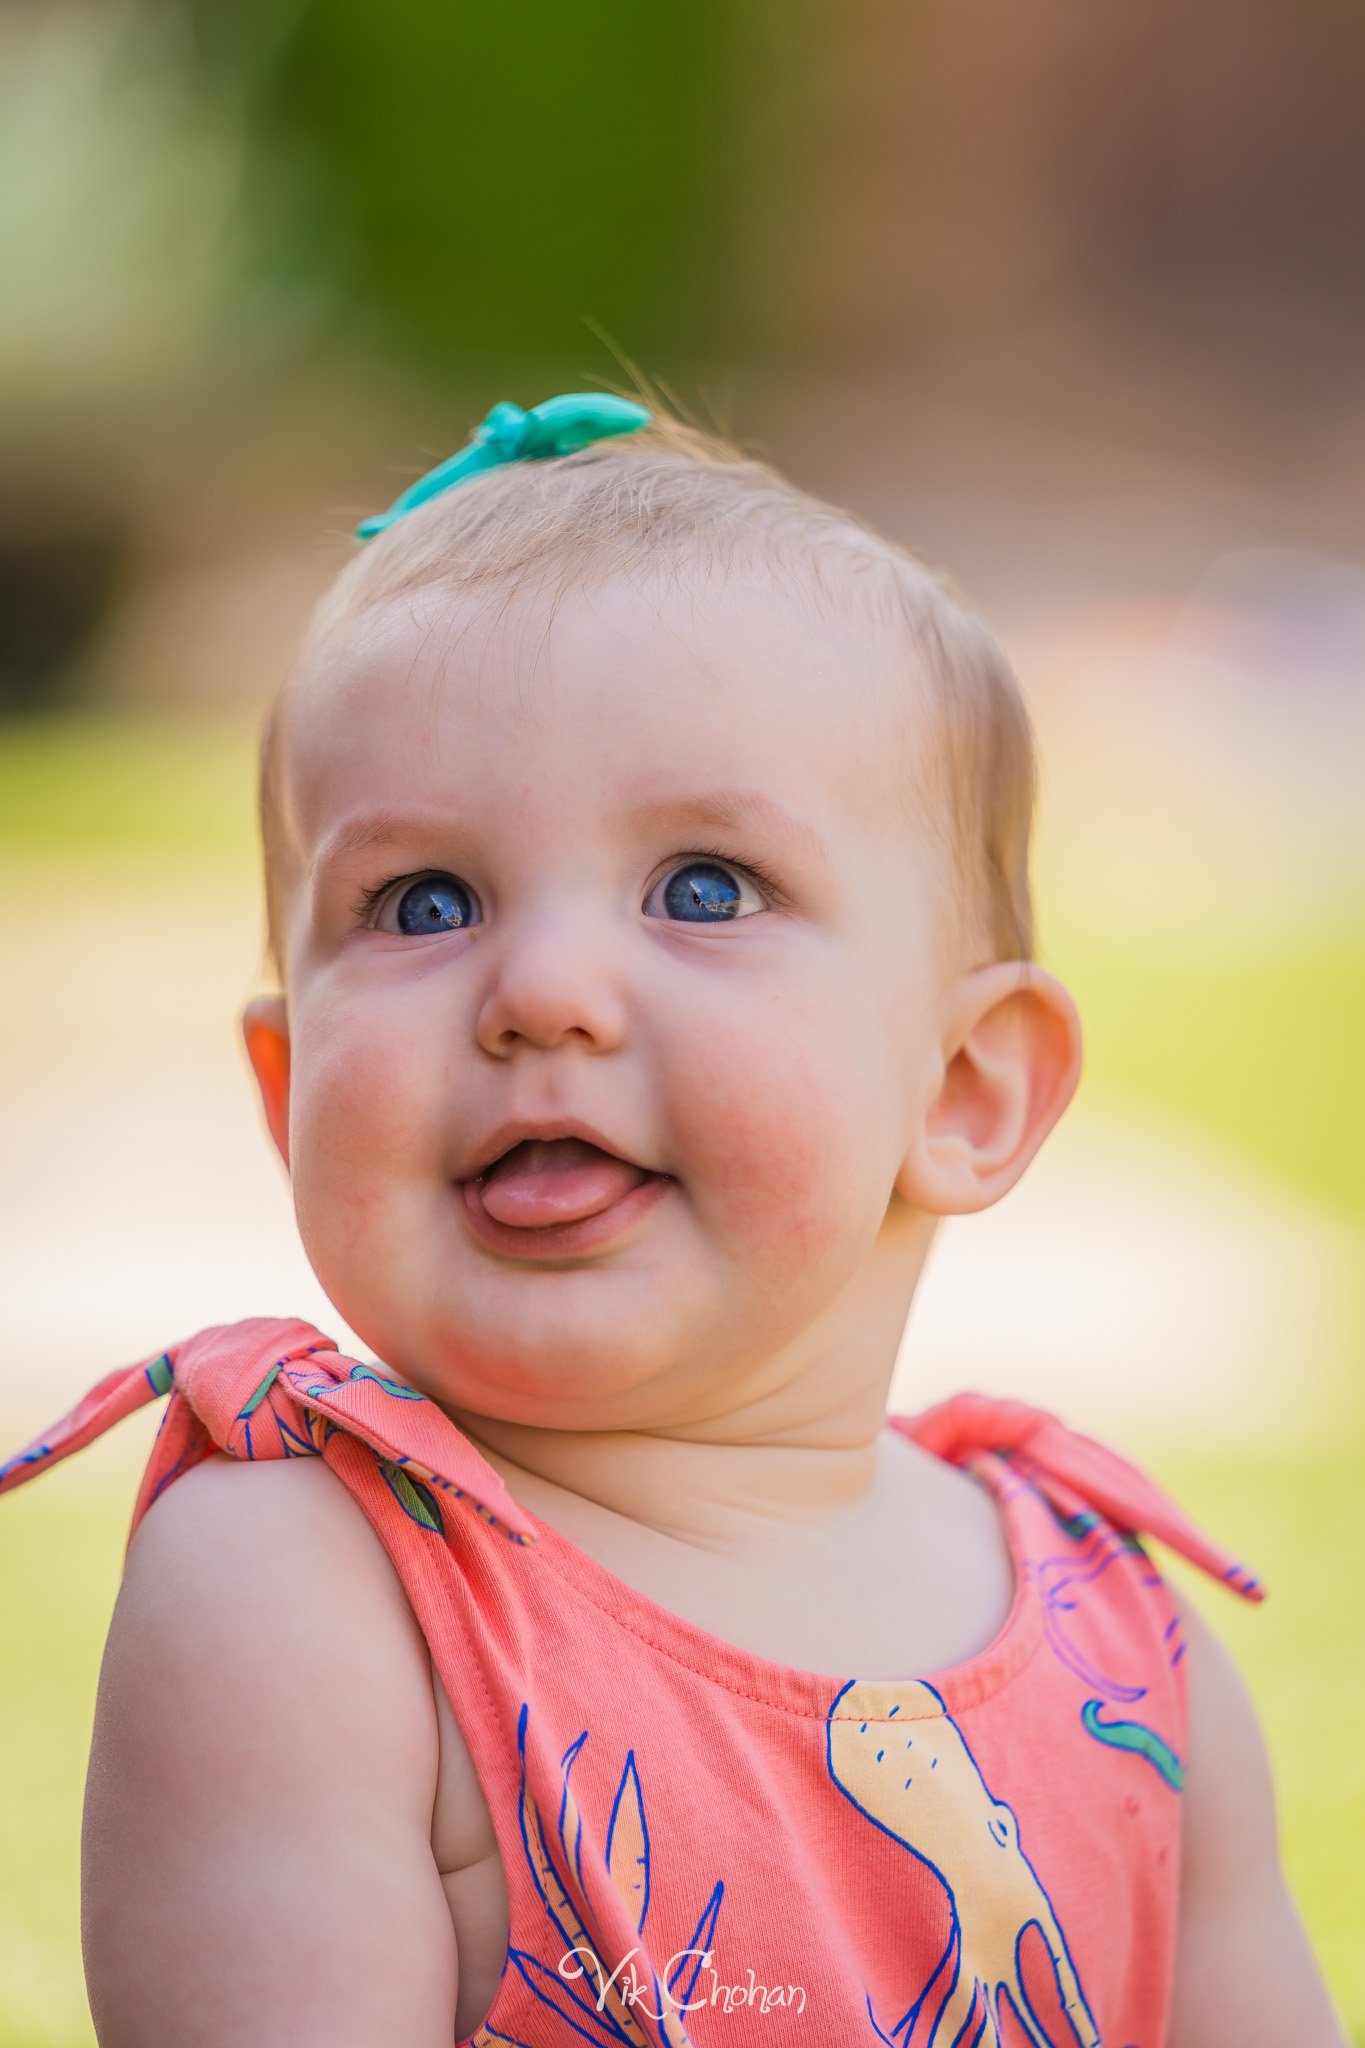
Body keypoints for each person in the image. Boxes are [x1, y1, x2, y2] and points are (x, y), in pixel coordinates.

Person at [0, 394, 1346, 2047]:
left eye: (703, 886)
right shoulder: (308, 1601)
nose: (543, 992)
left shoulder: (1130, 1656)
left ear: (964, 1090)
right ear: (290, 1098)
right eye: (423, 902)